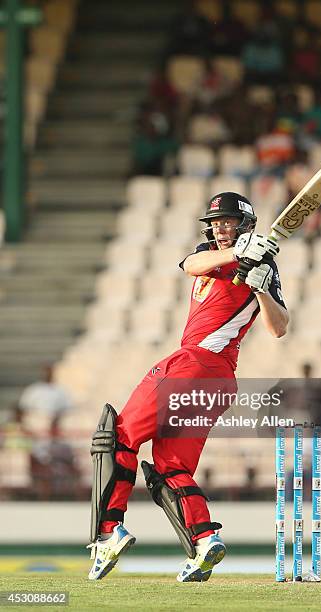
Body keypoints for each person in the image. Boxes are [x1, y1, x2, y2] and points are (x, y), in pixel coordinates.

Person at [87, 192, 288, 582]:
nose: (220, 229)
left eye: (228, 222)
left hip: (196, 364)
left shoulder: (263, 264)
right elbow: (190, 264)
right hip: (218, 383)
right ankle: (204, 542)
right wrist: (237, 256)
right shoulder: (213, 254)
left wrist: (260, 286)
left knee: (118, 436)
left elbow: (278, 327)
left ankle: (109, 532)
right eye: (215, 223)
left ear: (246, 224)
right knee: (171, 467)